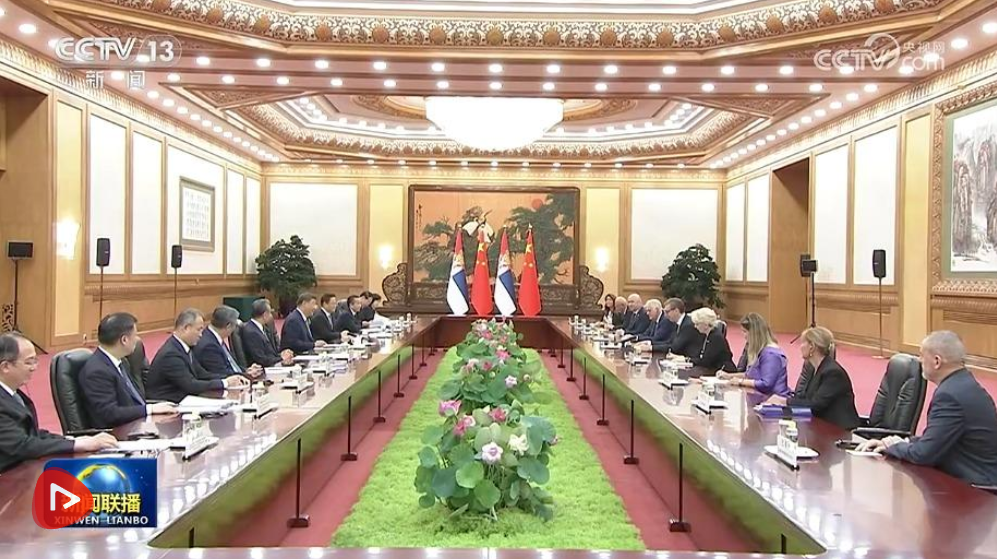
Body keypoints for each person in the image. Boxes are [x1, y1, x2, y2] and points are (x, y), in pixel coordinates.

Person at [858, 331, 997, 486]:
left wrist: (893, 446)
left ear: (937, 361)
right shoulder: (964, 384)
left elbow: (923, 455)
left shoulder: (949, 396)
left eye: (922, 355)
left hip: (975, 488)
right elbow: (939, 437)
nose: (919, 360)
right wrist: (904, 441)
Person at [0, 333, 117, 471]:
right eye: (28, 362)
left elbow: (31, 433)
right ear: (5, 366)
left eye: (35, 361)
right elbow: (22, 445)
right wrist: (76, 445)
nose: (34, 367)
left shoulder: (14, 394)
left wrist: (73, 440)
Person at [78, 313, 176, 428]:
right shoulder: (97, 371)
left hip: (136, 424)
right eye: (135, 335)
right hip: (117, 432)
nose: (137, 339)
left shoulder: (122, 362)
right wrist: (149, 409)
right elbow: (110, 414)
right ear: (124, 340)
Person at [146, 309, 248, 403]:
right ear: (186, 328)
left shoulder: (183, 347)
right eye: (198, 330)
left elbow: (202, 374)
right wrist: (224, 383)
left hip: (183, 399)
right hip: (167, 403)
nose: (201, 335)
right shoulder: (171, 354)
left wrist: (233, 378)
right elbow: (190, 385)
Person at [767, 326, 860, 430]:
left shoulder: (833, 373)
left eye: (803, 343)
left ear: (812, 346)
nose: (800, 347)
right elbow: (805, 398)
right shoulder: (813, 369)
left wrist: (784, 401)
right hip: (820, 426)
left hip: (839, 431)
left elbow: (816, 405)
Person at [718, 313, 789, 396]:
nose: (744, 336)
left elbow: (766, 384)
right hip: (760, 396)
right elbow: (750, 375)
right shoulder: (761, 350)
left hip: (773, 399)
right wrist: (729, 376)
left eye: (745, 332)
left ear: (754, 333)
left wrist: (740, 382)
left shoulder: (771, 355)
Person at [193, 306, 263, 380]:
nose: (235, 328)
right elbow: (222, 373)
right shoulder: (209, 346)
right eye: (235, 325)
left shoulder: (215, 338)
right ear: (228, 326)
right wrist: (246, 375)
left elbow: (230, 365)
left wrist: (247, 370)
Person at [242, 299, 295, 368]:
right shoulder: (251, 332)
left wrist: (282, 354)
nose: (271, 316)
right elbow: (260, 359)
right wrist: (281, 358)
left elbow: (271, 353)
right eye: (270, 313)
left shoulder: (264, 328)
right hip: (261, 369)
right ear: (265, 315)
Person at [687, 308, 735, 373]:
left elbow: (706, 361)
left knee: (687, 373)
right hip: (713, 368)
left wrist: (688, 360)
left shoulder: (716, 337)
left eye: (697, 324)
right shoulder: (708, 335)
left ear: (705, 324)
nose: (695, 326)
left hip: (722, 371)